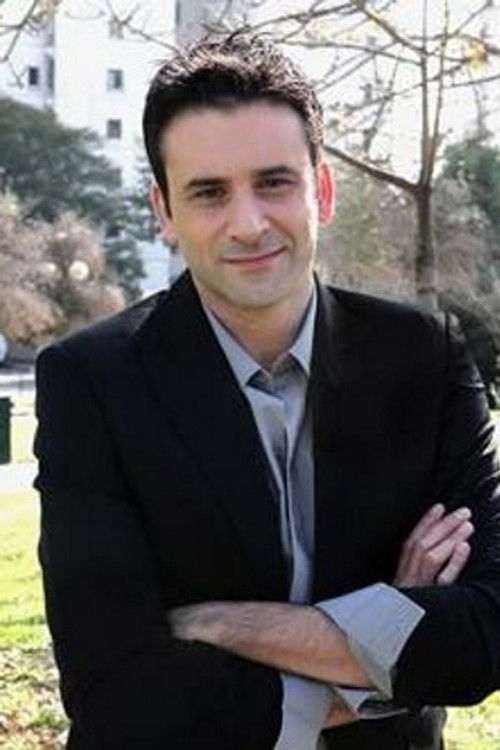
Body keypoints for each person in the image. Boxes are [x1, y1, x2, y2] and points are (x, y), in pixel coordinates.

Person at [34, 34, 500, 750]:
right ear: (164, 211)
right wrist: (389, 641)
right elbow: (116, 690)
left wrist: (224, 624)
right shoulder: (91, 381)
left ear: (323, 191)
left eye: (274, 182)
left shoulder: (425, 358)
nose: (248, 224)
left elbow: (486, 632)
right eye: (209, 192)